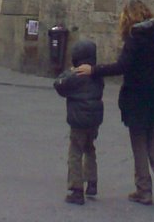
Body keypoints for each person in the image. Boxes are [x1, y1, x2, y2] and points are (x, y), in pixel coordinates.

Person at [76, 0, 154, 206]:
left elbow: (122, 66)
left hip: (137, 97)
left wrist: (94, 70)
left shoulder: (135, 38)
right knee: (152, 137)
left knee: (139, 141)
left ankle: (144, 190)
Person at [54, 38, 104, 205]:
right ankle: (92, 182)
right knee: (90, 148)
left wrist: (70, 71)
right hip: (94, 119)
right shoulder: (97, 75)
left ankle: (76, 189)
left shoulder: (75, 76)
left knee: (75, 151)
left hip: (78, 119)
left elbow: (59, 84)